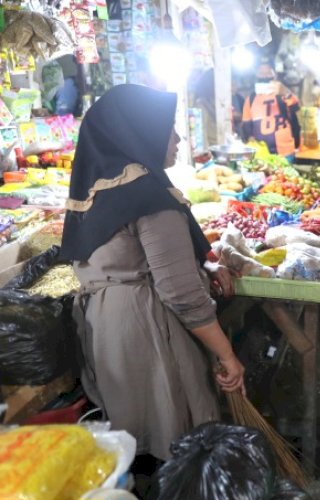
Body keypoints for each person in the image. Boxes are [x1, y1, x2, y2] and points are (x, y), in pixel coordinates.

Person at [60, 84, 246, 462]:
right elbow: (181, 293)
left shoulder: (98, 189)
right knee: (174, 440)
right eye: (168, 128)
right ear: (139, 131)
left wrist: (202, 261)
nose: (177, 138)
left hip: (108, 332)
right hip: (148, 332)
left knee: (136, 440)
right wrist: (228, 355)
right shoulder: (148, 196)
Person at [242, 62, 301, 159]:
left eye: (268, 73)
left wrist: (286, 93)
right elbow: (247, 127)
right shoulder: (250, 99)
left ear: (275, 75)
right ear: (256, 75)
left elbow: (297, 109)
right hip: (260, 154)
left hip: (285, 152)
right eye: (261, 73)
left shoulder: (283, 93)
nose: (265, 76)